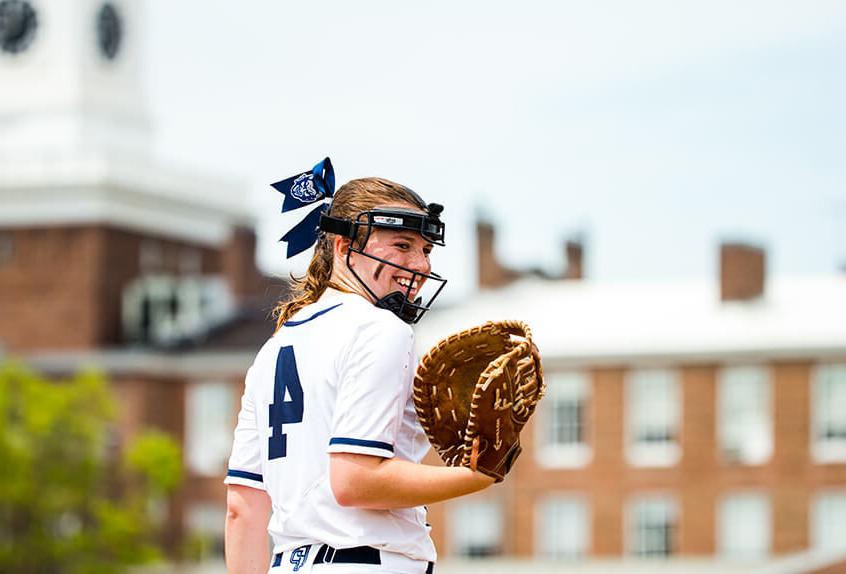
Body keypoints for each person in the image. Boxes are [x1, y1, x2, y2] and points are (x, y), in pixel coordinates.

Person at [224, 159, 495, 574]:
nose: (421, 265)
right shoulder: (380, 328)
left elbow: (242, 508)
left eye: (425, 250)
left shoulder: (274, 348)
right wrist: (479, 473)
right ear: (344, 247)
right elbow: (355, 482)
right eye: (402, 246)